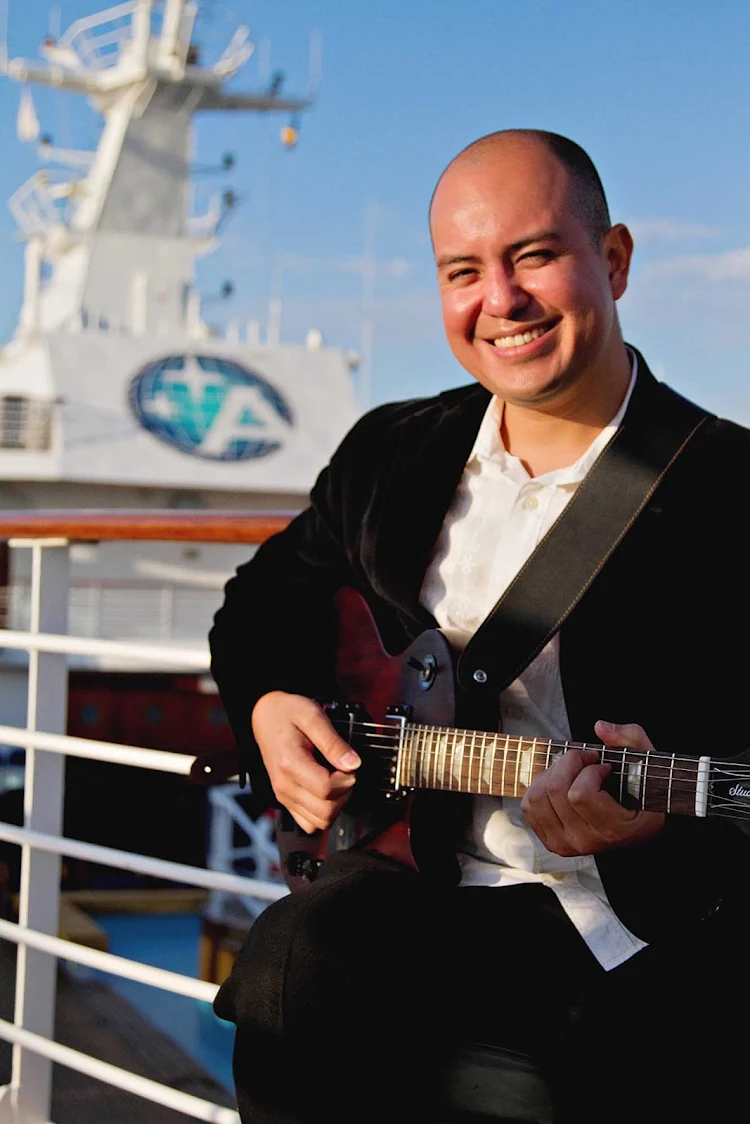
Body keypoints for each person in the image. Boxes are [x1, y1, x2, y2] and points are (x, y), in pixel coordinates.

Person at [209, 130, 750, 1123]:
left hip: (622, 932)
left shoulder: (731, 495)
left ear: (616, 259)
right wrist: (271, 700)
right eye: (465, 270)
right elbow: (265, 598)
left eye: (534, 255)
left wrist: (648, 834)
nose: (499, 299)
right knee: (292, 962)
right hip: (414, 884)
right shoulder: (394, 450)